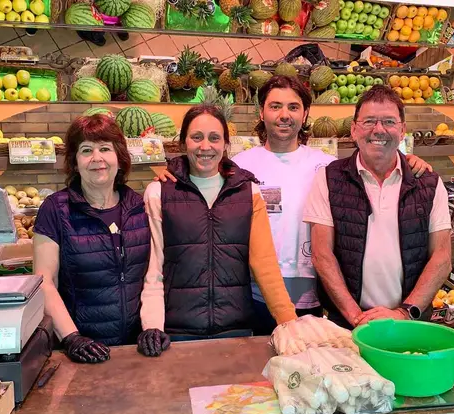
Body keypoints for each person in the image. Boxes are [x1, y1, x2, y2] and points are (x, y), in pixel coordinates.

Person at [155, 76, 434, 336]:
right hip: (252, 292)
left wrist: (410, 161)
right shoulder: (240, 165)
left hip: (310, 293)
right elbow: (201, 175)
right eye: (275, 106)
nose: (284, 115)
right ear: (261, 113)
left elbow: (372, 162)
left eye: (293, 107)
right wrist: (171, 170)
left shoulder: (325, 166)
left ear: (305, 114)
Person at [137, 104, 297, 356]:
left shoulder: (248, 192)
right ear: (182, 143)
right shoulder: (159, 193)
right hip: (177, 333)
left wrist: (289, 322)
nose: (205, 146)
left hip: (237, 330)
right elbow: (154, 268)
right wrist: (153, 326)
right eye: (196, 137)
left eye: (214, 138)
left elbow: (264, 263)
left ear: (225, 144)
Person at [303, 85, 452, 330]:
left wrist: (404, 313)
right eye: (369, 121)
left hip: (410, 323)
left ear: (402, 130)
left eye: (389, 122)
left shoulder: (428, 183)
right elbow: (322, 254)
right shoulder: (329, 179)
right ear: (353, 129)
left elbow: (442, 258)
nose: (379, 130)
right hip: (346, 322)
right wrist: (355, 316)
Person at [33, 114, 150, 363]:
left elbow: (153, 277)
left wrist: (153, 327)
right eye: (86, 150)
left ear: (119, 157)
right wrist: (71, 337)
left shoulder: (139, 206)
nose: (97, 158)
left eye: (105, 149)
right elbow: (44, 282)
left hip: (135, 350)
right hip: (80, 351)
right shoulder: (56, 209)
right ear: (75, 162)